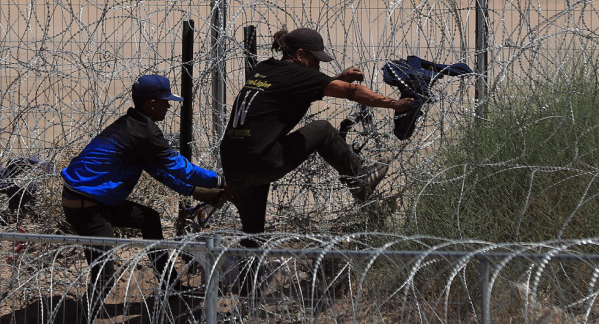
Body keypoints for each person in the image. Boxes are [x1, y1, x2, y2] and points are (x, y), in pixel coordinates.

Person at [220, 27, 414, 251]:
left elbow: (301, 87)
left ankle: (247, 283)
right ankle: (360, 180)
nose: (318, 66)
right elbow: (351, 92)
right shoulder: (297, 75)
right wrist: (393, 104)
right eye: (315, 60)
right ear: (300, 55)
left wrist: (337, 79)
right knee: (323, 130)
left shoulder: (265, 69)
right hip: (262, 160)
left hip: (233, 166)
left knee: (253, 237)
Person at [60, 74, 228, 300]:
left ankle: (171, 286)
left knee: (149, 219)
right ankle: (84, 320)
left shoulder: (133, 126)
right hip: (87, 207)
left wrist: (195, 191)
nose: (169, 106)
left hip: (92, 200)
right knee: (104, 273)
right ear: (152, 104)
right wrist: (218, 181)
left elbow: (158, 170)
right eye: (165, 101)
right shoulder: (144, 132)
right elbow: (179, 168)